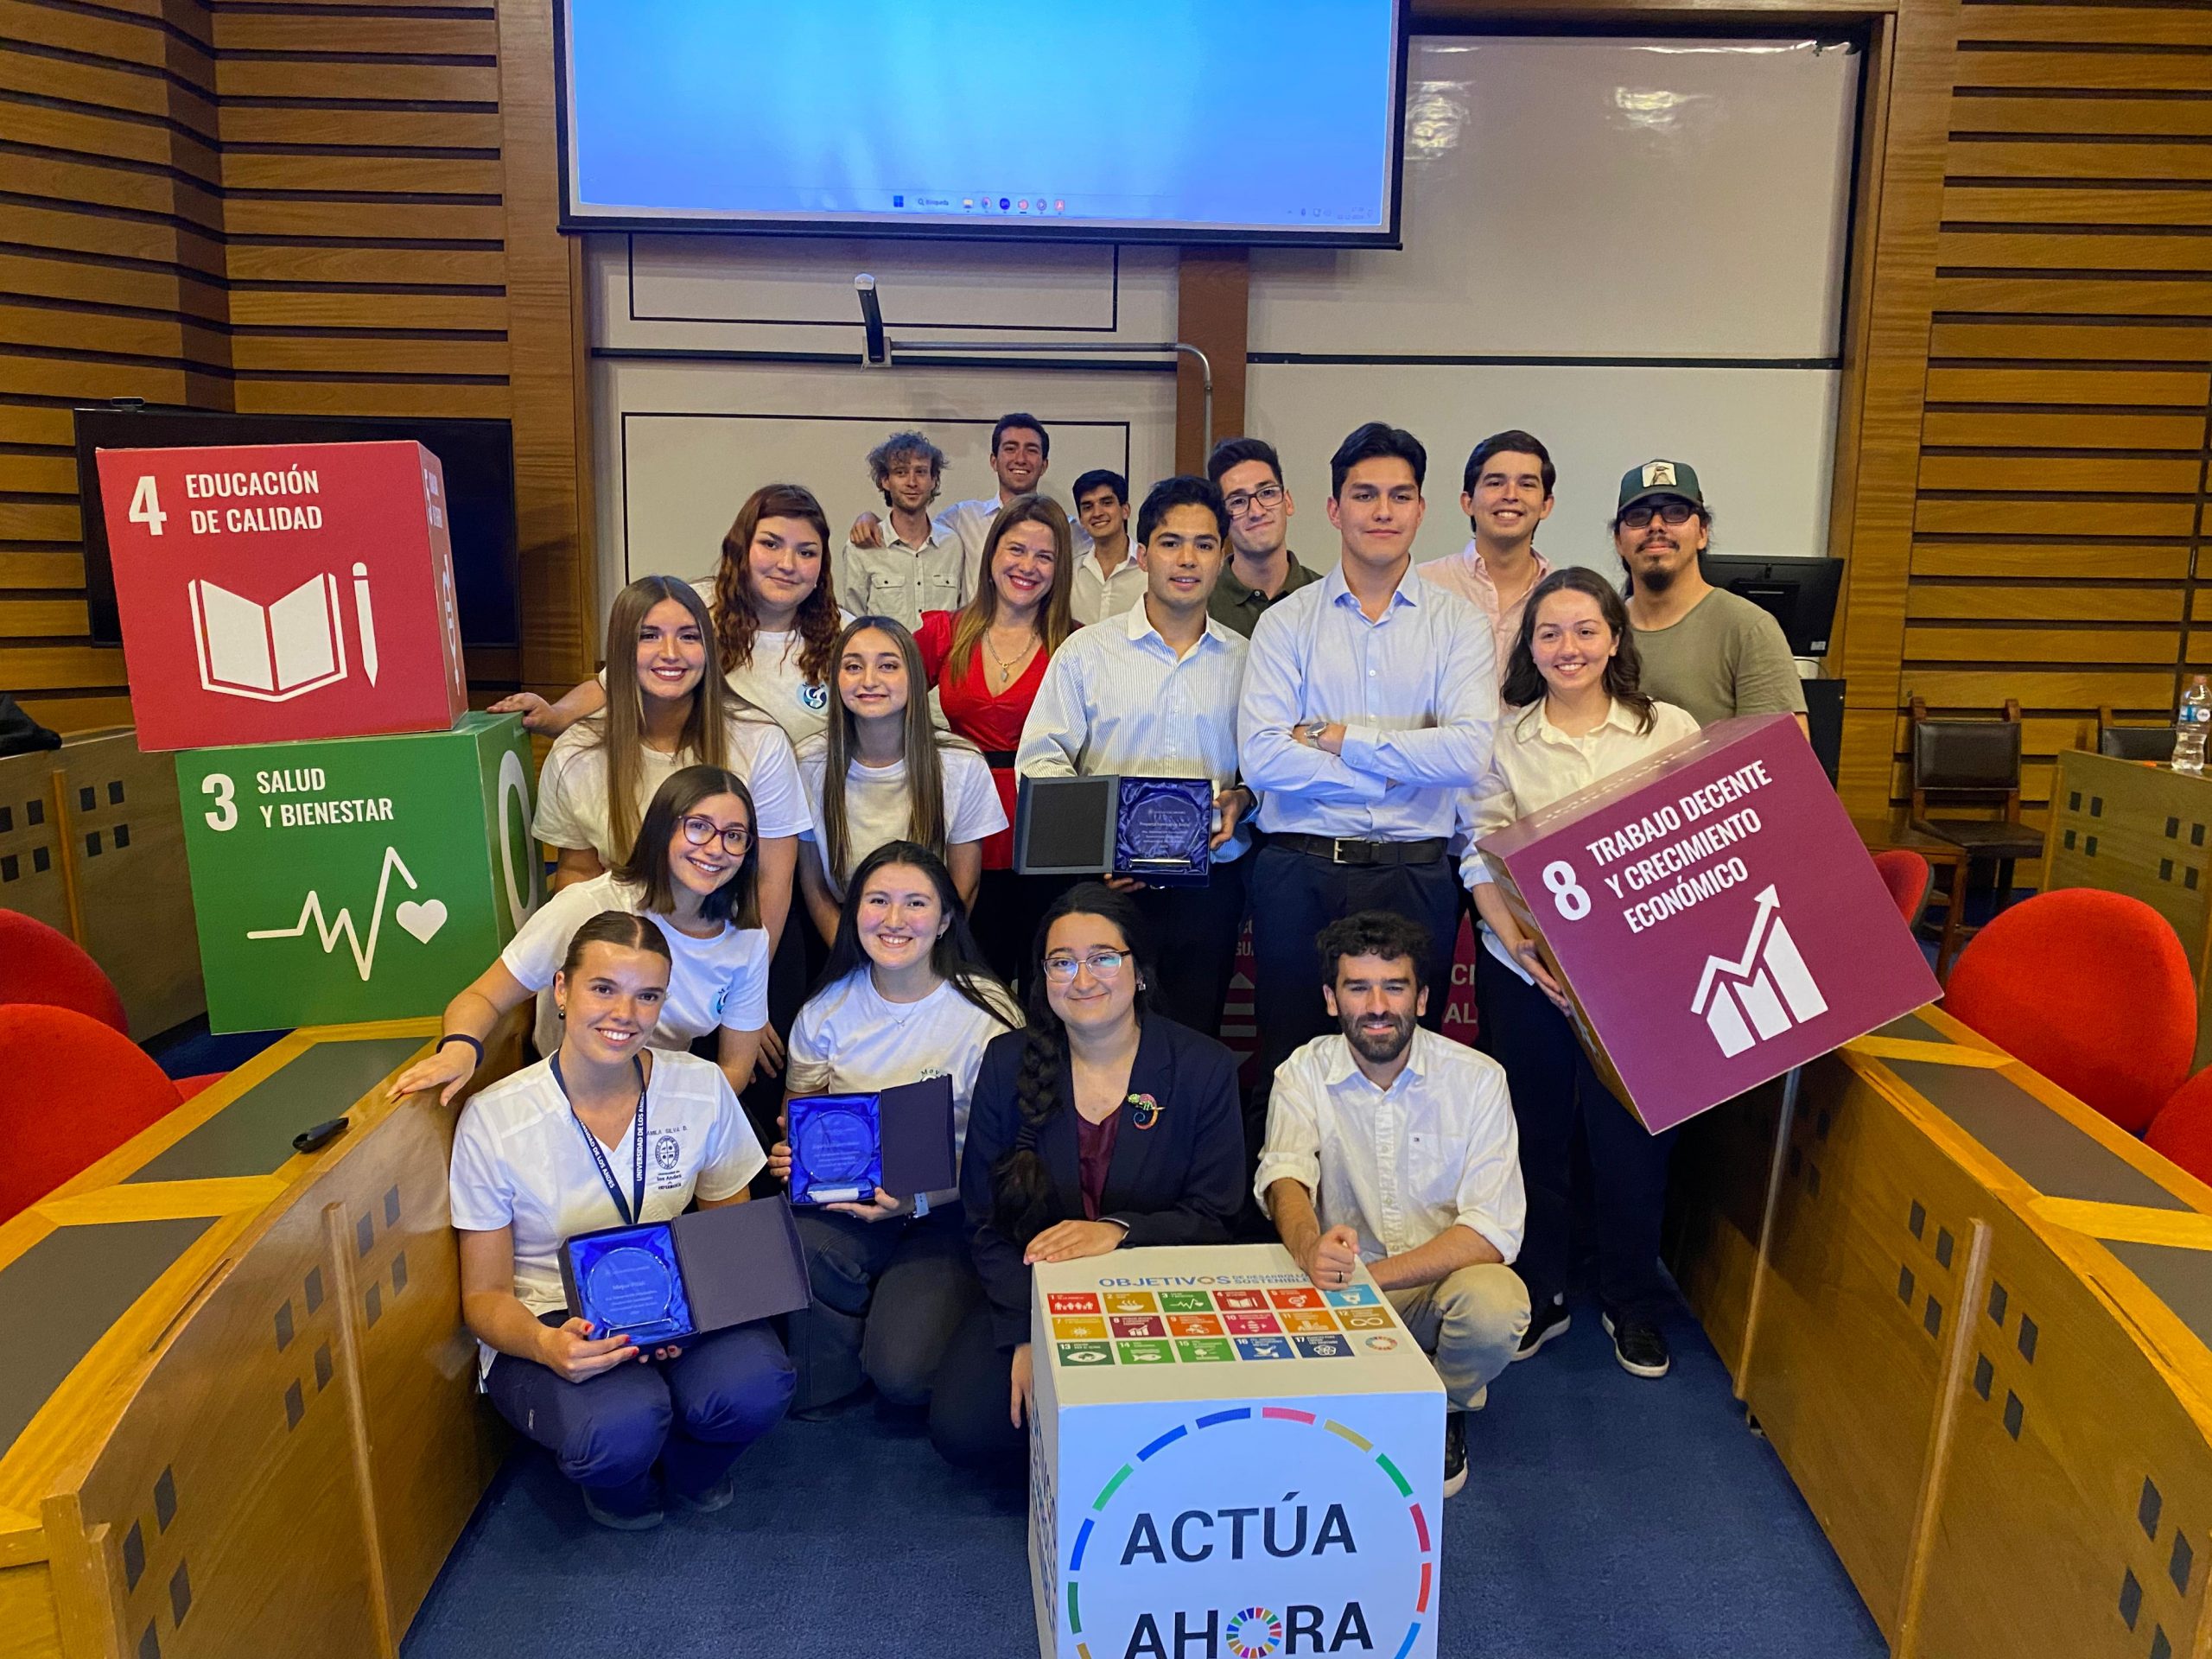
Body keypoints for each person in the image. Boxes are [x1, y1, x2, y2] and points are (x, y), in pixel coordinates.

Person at [442, 910, 793, 1529]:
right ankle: (620, 1488)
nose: (624, 1015)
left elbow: (727, 1245)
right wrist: (547, 1347)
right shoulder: (495, 1119)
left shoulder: (701, 1087)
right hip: (551, 1317)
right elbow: (485, 1297)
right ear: (561, 989)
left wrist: (699, 1312)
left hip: (674, 1302)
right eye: (603, 988)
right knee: (619, 1427)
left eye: (647, 996)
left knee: (757, 1383)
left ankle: (689, 1467)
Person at [1461, 566, 1700, 1380]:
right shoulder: (1503, 740)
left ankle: (1633, 1300)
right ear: (1529, 647)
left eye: (1586, 630)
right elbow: (1478, 853)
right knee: (1533, 1133)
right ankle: (1542, 1288)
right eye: (1551, 632)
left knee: (1633, 1137)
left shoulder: (1667, 728)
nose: (1569, 647)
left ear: (1614, 638)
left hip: (1641, 977)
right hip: (1528, 971)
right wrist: (1518, 945)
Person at [931, 884, 1246, 1477]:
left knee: (1181, 1433)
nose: (1082, 979)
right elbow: (984, 1220)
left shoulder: (1202, 1066)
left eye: (1103, 958)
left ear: (1139, 971)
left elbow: (1217, 1216)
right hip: (1036, 1289)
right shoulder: (1006, 1062)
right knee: (967, 1427)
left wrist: (1119, 1231)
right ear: (1043, 978)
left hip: (1156, 1289)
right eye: (1062, 962)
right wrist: (1027, 1330)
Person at [1236, 422, 1497, 1123]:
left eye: (1399, 496)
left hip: (1415, 873)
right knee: (1291, 1066)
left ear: (1421, 509)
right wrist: (1397, 769)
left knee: (1408, 1073)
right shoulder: (1286, 625)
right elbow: (1263, 757)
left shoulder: (1459, 626)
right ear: (1333, 509)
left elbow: (1468, 754)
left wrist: (1338, 740)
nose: (1383, 511)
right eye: (1364, 495)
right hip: (1300, 872)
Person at [1255, 911, 1528, 1500]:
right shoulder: (1302, 1071)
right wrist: (1309, 1247)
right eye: (1358, 988)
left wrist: (1373, 1279)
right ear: (1332, 1000)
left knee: (1497, 1305)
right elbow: (1285, 1174)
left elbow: (1492, 1232)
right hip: (1333, 1288)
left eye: (1395, 987)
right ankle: (1378, 1388)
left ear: (1422, 998)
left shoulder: (1479, 1080)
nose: (1377, 1006)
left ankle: (1442, 1404)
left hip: (1428, 1287)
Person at [767, 842, 1021, 1416]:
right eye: (878, 900)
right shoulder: (824, 1010)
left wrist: (918, 1200)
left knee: (904, 1376)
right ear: (854, 911)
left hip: (951, 1210)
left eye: (916, 903)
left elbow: (1009, 1159)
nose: (895, 919)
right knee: (802, 1245)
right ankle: (835, 1369)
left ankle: (904, 1322)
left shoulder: (990, 1015)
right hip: (848, 1204)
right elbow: (800, 1119)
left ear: (946, 919)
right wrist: (792, 1157)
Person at [1017, 475, 1255, 1039]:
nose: (1187, 559)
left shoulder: (1248, 660)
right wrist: (1101, 842)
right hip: (1105, 890)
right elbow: (1040, 762)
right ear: (1143, 555)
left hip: (1209, 890)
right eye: (1171, 543)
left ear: (1222, 557)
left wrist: (1245, 799)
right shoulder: (1087, 653)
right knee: (1095, 1042)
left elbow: (1267, 769)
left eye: (1204, 544)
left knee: (1192, 1042)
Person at [391, 766, 772, 1106]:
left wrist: (679, 1116)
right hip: (563, 1095)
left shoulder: (748, 938)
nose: (716, 849)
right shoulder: (586, 906)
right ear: (663, 828)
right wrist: (460, 1049)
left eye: (734, 835)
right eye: (699, 827)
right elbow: (483, 997)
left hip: (664, 1097)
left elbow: (734, 1069)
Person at [532, 575, 808, 955]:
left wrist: (743, 976)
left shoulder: (761, 742)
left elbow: (772, 881)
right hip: (623, 952)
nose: (671, 653)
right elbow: (578, 873)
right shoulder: (575, 753)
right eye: (649, 636)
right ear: (621, 648)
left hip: (725, 947)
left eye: (688, 636)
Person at [495, 482, 848, 748]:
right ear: (742, 549)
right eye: (770, 544)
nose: (787, 564)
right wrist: (555, 716)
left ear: (822, 565)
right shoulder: (692, 608)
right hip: (701, 807)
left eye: (806, 552)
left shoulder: (846, 635)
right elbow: (612, 685)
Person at [916, 496, 1078, 984]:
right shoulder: (944, 632)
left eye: (1044, 556)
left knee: (1046, 978)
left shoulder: (1076, 644)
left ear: (1059, 570)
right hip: (960, 820)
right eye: (1016, 550)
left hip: (1048, 828)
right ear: (991, 555)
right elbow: (884, 701)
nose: (1027, 566)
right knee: (967, 975)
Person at [794, 616, 1006, 944]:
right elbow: (814, 886)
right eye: (853, 667)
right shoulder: (808, 763)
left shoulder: (962, 764)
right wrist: (851, 957)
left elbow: (964, 885)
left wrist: (917, 954)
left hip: (931, 941)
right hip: (839, 939)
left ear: (914, 677)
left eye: (888, 666)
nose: (869, 681)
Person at [1614, 460, 1808, 731]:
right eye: (1638, 516)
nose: (1656, 525)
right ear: (1619, 541)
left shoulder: (1748, 628)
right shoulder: (1599, 630)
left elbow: (1781, 752)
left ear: (1703, 532)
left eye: (1676, 512)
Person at [849, 413, 1092, 586]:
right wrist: (870, 520)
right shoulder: (962, 519)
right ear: (994, 461)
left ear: (1044, 465)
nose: (1020, 458)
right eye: (1010, 448)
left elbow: (1104, 549)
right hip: (971, 641)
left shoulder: (1068, 529)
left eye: (1031, 450)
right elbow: (913, 526)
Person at [1416, 429, 1556, 682]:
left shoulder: (1566, 596)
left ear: (1546, 505)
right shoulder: (1420, 587)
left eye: (1526, 484)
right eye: (1495, 483)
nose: (1510, 495)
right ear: (1467, 502)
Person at [837, 430, 967, 628]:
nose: (912, 482)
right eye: (901, 472)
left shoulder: (952, 545)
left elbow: (962, 618)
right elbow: (854, 624)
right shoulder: (862, 549)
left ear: (933, 480)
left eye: (921, 472)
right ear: (885, 481)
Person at [1204, 435, 1325, 639]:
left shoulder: (1326, 599)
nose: (1256, 512)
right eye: (1238, 501)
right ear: (1220, 519)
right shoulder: (1200, 604)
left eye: (1267, 493)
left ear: (1287, 502)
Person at [1066, 468, 1142, 625]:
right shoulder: (1070, 575)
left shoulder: (1150, 571)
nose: (1097, 513)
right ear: (1081, 519)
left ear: (1125, 511)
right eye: (1088, 507)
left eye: (1107, 503)